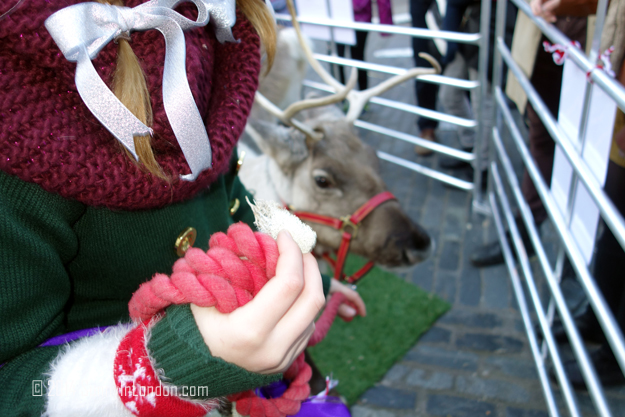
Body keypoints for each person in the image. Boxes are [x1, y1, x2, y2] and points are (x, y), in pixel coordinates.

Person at [0, 0, 365, 415]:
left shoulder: (202, 32)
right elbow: (13, 388)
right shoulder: (13, 137)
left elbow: (227, 201)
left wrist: (304, 275)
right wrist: (164, 367)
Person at [470, 0, 592, 266]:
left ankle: (578, 259)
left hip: (593, 49)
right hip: (543, 40)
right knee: (540, 140)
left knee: (589, 154)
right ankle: (525, 233)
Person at [336, 0, 394, 92]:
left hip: (357, 15)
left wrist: (385, 24)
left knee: (353, 58)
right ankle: (341, 96)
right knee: (339, 59)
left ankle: (360, 95)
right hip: (340, 15)